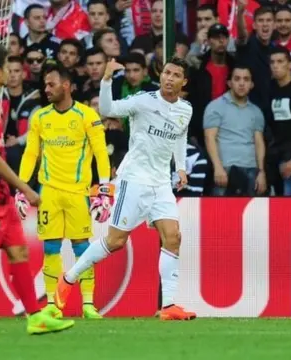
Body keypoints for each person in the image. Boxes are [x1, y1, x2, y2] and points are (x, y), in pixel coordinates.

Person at [54, 57, 197, 321]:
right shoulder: (144, 101)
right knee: (116, 241)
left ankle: (168, 307)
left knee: (174, 237)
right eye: (166, 72)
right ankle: (69, 278)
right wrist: (107, 79)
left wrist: (180, 168)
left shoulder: (185, 110)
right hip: (134, 180)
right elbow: (107, 108)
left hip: (162, 183)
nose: (169, 78)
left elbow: (180, 136)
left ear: (183, 82)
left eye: (176, 75)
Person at [0, 42, 74, 337]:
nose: (10, 71)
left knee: (19, 251)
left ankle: (35, 317)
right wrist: (27, 189)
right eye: (7, 67)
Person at [16, 63, 111, 319]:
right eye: (45, 84)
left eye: (51, 84)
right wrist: (21, 188)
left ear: (66, 86)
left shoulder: (86, 116)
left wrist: (104, 191)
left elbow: (101, 154)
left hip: (79, 192)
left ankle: (88, 304)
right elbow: (31, 154)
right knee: (51, 248)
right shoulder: (40, 118)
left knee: (82, 247)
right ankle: (52, 304)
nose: (46, 89)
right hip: (49, 192)